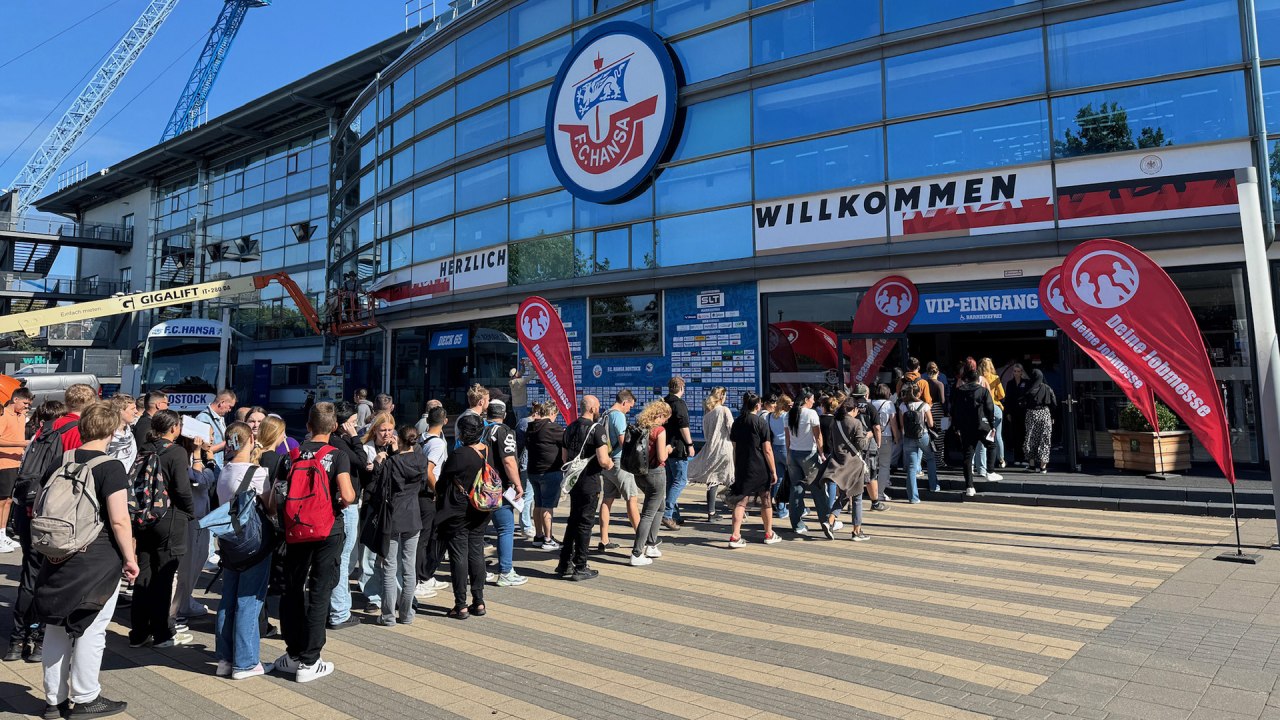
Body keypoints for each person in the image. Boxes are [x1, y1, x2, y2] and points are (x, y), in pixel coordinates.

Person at [34, 403, 140, 719]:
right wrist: (130, 559)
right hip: (96, 558)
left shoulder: (59, 461)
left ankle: (53, 700)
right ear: (111, 431)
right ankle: (85, 697)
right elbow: (120, 520)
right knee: (91, 630)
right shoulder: (110, 467)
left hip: (56, 554)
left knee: (55, 628)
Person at [272, 402, 355, 683]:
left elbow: (274, 500)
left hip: (296, 530)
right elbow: (349, 495)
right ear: (333, 427)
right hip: (328, 529)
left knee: (292, 589)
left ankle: (293, 654)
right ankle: (311, 660)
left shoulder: (290, 456)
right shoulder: (337, 455)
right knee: (319, 590)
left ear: (308, 426)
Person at [128, 409, 196, 650]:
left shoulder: (145, 448)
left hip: (144, 517)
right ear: (174, 428)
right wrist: (190, 512)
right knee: (164, 576)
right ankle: (162, 633)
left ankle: (138, 632)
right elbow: (182, 487)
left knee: (144, 573)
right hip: (170, 517)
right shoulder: (176, 452)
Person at [214, 422, 274, 679]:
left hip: (229, 541)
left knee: (228, 600)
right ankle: (246, 662)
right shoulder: (256, 473)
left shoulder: (224, 470)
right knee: (249, 600)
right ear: (251, 440)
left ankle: (225, 659)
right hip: (253, 543)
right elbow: (271, 507)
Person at [6, 399, 63, 665]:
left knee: (29, 577)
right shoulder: (63, 436)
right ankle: (39, 639)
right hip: (50, 516)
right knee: (48, 578)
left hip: (27, 512)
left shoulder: (38, 436)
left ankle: (16, 642)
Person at [435, 414, 490, 619]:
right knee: (476, 554)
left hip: (459, 510)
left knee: (459, 556)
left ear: (461, 432)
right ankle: (479, 601)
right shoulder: (487, 451)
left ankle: (461, 604)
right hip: (482, 509)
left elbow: (442, 482)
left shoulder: (459, 454)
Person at [369, 425, 425, 626]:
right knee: (409, 568)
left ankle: (388, 616)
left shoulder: (392, 462)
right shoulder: (421, 459)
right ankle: (407, 613)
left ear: (399, 440)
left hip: (392, 516)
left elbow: (380, 486)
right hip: (413, 515)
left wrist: (382, 461)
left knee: (389, 567)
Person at [557, 396, 612, 581]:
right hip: (590, 481)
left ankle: (564, 563)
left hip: (574, 482)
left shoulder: (570, 427)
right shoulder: (597, 429)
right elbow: (603, 460)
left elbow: (565, 459)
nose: (599, 408)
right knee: (585, 523)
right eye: (597, 406)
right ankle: (580, 566)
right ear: (592, 408)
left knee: (573, 520)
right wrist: (610, 464)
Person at [326, 401, 370, 630]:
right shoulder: (340, 443)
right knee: (342, 559)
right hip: (346, 505)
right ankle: (340, 611)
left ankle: (333, 608)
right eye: (352, 423)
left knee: (339, 558)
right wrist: (355, 438)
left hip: (340, 504)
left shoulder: (332, 442)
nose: (357, 426)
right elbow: (362, 462)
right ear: (342, 425)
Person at [726, 393, 782, 548]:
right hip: (760, 466)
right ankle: (769, 533)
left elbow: (735, 448)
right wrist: (773, 470)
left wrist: (737, 466)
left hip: (743, 466)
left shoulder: (737, 422)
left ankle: (735, 535)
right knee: (766, 499)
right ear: (757, 406)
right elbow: (767, 449)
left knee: (741, 501)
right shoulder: (760, 422)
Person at [481, 400, 527, 587]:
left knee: (478, 532)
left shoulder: (480, 430)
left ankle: (478, 570)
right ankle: (506, 571)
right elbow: (509, 461)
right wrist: (517, 484)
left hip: (480, 486)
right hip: (498, 487)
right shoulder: (505, 432)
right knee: (505, 529)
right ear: (504, 414)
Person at [358, 413, 397, 615]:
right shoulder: (367, 449)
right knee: (369, 553)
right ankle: (372, 595)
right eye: (383, 430)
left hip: (393, 506)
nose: (387, 434)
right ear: (374, 430)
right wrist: (374, 465)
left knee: (391, 553)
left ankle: (391, 592)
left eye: (390, 430)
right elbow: (364, 479)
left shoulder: (396, 447)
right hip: (371, 505)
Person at [816, 397, 871, 540]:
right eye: (856, 410)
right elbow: (861, 445)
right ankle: (856, 531)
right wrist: (869, 435)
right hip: (854, 465)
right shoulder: (855, 423)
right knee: (857, 497)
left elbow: (831, 442)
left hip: (839, 462)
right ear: (853, 409)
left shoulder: (835, 422)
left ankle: (830, 521)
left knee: (845, 495)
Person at [413, 406, 449, 598]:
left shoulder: (422, 438)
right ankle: (418, 579)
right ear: (445, 421)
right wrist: (438, 491)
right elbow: (429, 470)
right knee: (424, 538)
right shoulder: (438, 444)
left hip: (420, 493)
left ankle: (426, 576)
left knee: (426, 536)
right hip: (428, 494)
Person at [629, 400, 671, 566]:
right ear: (659, 415)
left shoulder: (640, 426)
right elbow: (661, 457)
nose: (665, 421)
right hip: (656, 473)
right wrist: (668, 449)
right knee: (648, 514)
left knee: (660, 507)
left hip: (640, 473)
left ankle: (651, 545)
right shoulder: (659, 430)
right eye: (665, 418)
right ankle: (637, 553)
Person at [786, 390, 831, 537]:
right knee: (817, 488)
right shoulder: (811, 414)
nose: (814, 402)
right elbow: (818, 436)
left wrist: (788, 454)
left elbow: (788, 438)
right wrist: (822, 453)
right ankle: (825, 520)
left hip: (793, 453)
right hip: (809, 454)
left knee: (796, 489)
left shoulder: (789, 414)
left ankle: (796, 524)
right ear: (806, 399)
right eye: (812, 400)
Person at [599, 391, 640, 550]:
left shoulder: (605, 414)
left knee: (607, 500)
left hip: (606, 462)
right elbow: (624, 443)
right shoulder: (619, 416)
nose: (630, 409)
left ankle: (604, 540)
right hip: (619, 462)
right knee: (632, 499)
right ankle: (641, 538)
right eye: (630, 406)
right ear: (624, 402)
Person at [687, 386, 734, 521]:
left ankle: (711, 513)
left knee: (712, 480)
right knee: (731, 479)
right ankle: (738, 509)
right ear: (722, 396)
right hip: (725, 448)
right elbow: (731, 429)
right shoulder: (724, 410)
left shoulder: (707, 413)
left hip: (711, 449)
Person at [525, 402, 565, 551]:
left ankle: (539, 536)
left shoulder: (531, 427)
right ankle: (548, 539)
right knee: (548, 506)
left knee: (539, 503)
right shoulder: (553, 427)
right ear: (553, 413)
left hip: (533, 471)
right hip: (550, 471)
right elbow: (566, 441)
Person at [951, 366, 996, 497]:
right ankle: (990, 471)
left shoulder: (959, 391)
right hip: (981, 425)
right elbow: (989, 408)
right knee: (991, 445)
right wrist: (992, 424)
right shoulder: (983, 391)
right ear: (978, 379)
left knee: (967, 456)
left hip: (965, 427)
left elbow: (954, 409)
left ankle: (969, 486)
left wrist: (956, 426)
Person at [0, 387, 32, 556]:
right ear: (16, 400)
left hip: (16, 463)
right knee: (2, 500)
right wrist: (21, 444)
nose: (27, 407)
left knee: (9, 501)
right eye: (25, 404)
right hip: (4, 463)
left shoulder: (21, 417)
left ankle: (3, 533)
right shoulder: (4, 415)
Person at [896, 383, 939, 503]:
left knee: (911, 467)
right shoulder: (924, 405)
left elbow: (902, 426)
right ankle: (933, 486)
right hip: (923, 435)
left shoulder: (903, 406)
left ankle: (913, 497)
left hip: (908, 437)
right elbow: (930, 424)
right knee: (930, 458)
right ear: (919, 393)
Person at [661, 378, 693, 530]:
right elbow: (683, 426)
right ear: (681, 387)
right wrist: (690, 444)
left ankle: (674, 515)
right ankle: (667, 514)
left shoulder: (663, 402)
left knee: (671, 481)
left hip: (665, 447)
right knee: (680, 480)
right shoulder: (679, 404)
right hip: (678, 447)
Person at [973, 358, 1006, 480]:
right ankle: (1001, 460)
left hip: (982, 410)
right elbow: (1002, 395)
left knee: (981, 440)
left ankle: (981, 468)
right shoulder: (995, 377)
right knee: (997, 436)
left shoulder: (978, 378)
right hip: (995, 407)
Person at [1023, 369, 1058, 473]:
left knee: (1031, 439)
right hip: (1045, 414)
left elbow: (1022, 401)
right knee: (1045, 439)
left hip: (1031, 414)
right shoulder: (1047, 388)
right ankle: (1043, 467)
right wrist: (1052, 416)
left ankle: (1032, 465)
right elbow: (1054, 403)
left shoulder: (1028, 388)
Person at [868, 384, 895, 510]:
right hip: (886, 436)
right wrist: (898, 436)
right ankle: (879, 493)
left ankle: (870, 491)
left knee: (870, 465)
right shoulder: (889, 405)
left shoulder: (870, 402)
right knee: (884, 466)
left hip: (870, 437)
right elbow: (893, 423)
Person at [764, 395, 791, 520]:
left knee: (779, 478)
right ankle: (786, 506)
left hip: (775, 448)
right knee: (790, 479)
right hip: (786, 448)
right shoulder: (786, 416)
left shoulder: (770, 416)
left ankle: (779, 507)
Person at [1005, 364, 1031, 466]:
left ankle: (1025, 457)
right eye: (1015, 371)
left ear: (1022, 372)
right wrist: (1007, 412)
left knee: (1024, 434)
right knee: (1015, 435)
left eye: (1018, 371)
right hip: (1014, 411)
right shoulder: (1010, 383)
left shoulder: (1026, 382)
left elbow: (1028, 396)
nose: (1016, 373)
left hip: (1024, 411)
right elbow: (1008, 399)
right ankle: (1017, 457)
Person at [105, 394, 139, 470]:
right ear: (120, 411)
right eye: (132, 409)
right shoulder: (107, 433)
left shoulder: (129, 433)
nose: (136, 411)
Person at [923, 362, 948, 468]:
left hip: (927, 409)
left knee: (929, 435)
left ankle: (926, 458)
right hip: (938, 410)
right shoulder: (940, 384)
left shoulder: (925, 383)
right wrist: (947, 413)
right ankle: (939, 461)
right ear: (937, 372)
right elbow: (943, 401)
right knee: (940, 436)